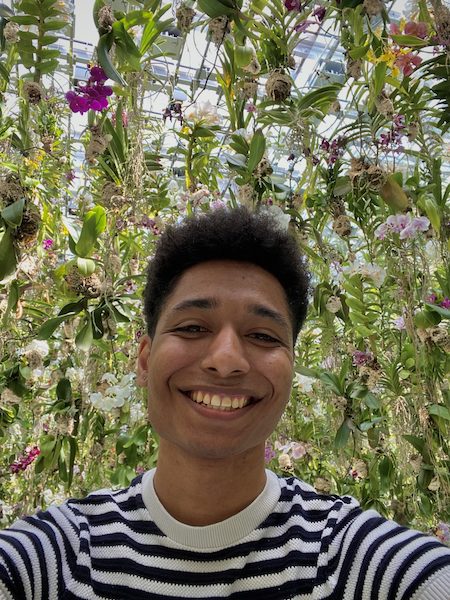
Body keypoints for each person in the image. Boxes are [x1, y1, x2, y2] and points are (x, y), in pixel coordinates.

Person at [1, 206, 450, 600]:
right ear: (144, 359)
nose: (226, 362)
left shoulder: (345, 558)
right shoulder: (60, 559)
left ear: (291, 369)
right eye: (193, 327)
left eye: (262, 336)